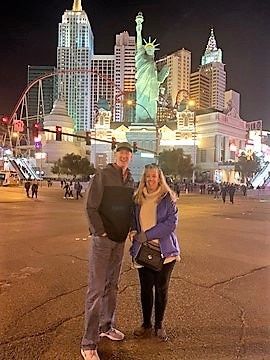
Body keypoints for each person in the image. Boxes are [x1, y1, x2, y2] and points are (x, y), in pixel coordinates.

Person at [81, 142, 135, 360]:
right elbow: (90, 207)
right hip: (103, 241)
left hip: (119, 241)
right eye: (121, 152)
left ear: (131, 157)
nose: (124, 156)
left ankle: (106, 326)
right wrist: (100, 231)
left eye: (127, 153)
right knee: (96, 290)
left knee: (112, 286)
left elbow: (130, 208)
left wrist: (129, 229)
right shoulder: (103, 175)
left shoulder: (130, 179)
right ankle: (88, 343)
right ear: (116, 155)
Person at [129, 164, 181, 342]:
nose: (151, 179)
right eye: (148, 176)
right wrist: (134, 231)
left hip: (164, 252)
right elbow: (133, 219)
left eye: (154, 176)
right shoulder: (138, 198)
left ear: (160, 178)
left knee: (161, 289)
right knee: (145, 290)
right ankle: (146, 324)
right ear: (144, 178)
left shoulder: (167, 198)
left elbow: (170, 224)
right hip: (143, 251)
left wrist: (147, 235)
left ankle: (159, 325)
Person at [135, 12, 169, 123]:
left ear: (154, 51)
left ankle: (151, 120)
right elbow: (139, 44)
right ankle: (139, 119)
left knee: (152, 103)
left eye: (151, 49)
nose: (149, 50)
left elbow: (158, 80)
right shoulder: (141, 59)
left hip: (152, 89)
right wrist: (139, 28)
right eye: (147, 49)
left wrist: (163, 74)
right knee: (141, 102)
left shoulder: (153, 64)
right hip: (142, 87)